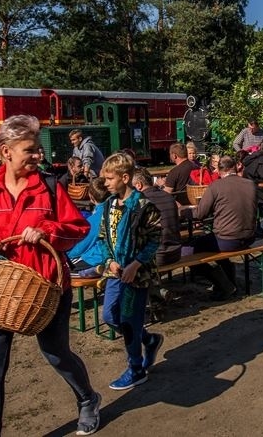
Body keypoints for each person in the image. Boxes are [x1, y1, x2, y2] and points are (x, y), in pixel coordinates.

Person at [0, 115, 101, 437]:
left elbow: (79, 228)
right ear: (6, 152)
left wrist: (47, 231)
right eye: (30, 150)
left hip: (45, 288)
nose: (38, 156)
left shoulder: (49, 188)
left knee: (56, 353)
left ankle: (88, 398)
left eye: (37, 150)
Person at [97, 153, 164, 392]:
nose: (105, 183)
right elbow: (103, 237)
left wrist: (136, 263)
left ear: (124, 178)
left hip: (137, 274)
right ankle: (149, 339)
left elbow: (156, 238)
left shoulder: (143, 206)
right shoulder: (108, 206)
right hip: (116, 272)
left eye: (109, 178)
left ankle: (136, 368)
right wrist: (108, 260)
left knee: (129, 320)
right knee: (109, 316)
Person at [190, 155, 258, 300]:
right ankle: (228, 275)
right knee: (213, 242)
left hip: (228, 239)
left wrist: (184, 211)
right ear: (235, 167)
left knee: (193, 249)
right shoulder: (250, 184)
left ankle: (223, 284)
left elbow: (200, 214)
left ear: (219, 170)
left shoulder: (216, 186)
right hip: (250, 236)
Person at [132, 167, 181, 267]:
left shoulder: (140, 202)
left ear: (138, 185)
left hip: (156, 257)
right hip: (176, 252)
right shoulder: (168, 197)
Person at [68, 177, 112, 275]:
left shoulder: (95, 219)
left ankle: (91, 271)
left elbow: (80, 247)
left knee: (65, 268)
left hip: (97, 257)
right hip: (109, 256)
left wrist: (67, 254)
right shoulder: (114, 210)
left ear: (91, 196)